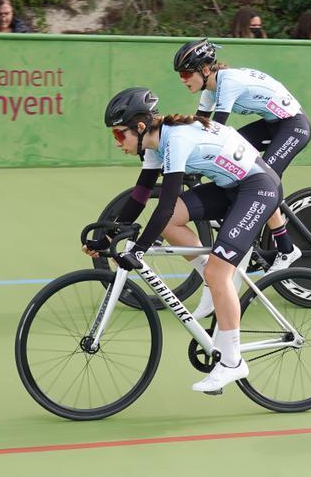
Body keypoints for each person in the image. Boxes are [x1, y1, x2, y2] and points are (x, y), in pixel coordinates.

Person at [85, 88, 282, 392]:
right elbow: (139, 198)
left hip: (258, 188)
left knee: (218, 270)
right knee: (177, 224)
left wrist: (138, 250)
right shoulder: (153, 145)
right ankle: (214, 281)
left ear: (139, 128)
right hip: (230, 186)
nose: (117, 142)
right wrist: (105, 238)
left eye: (119, 135)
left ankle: (232, 362)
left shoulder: (175, 139)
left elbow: (163, 204)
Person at [172, 39, 310, 318]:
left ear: (206, 68)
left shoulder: (229, 82)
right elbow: (198, 127)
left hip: (292, 126)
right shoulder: (211, 89)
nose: (183, 80)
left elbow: (217, 131)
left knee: (262, 177)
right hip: (273, 123)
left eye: (187, 73)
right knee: (238, 159)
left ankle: (285, 247)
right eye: (180, 75)